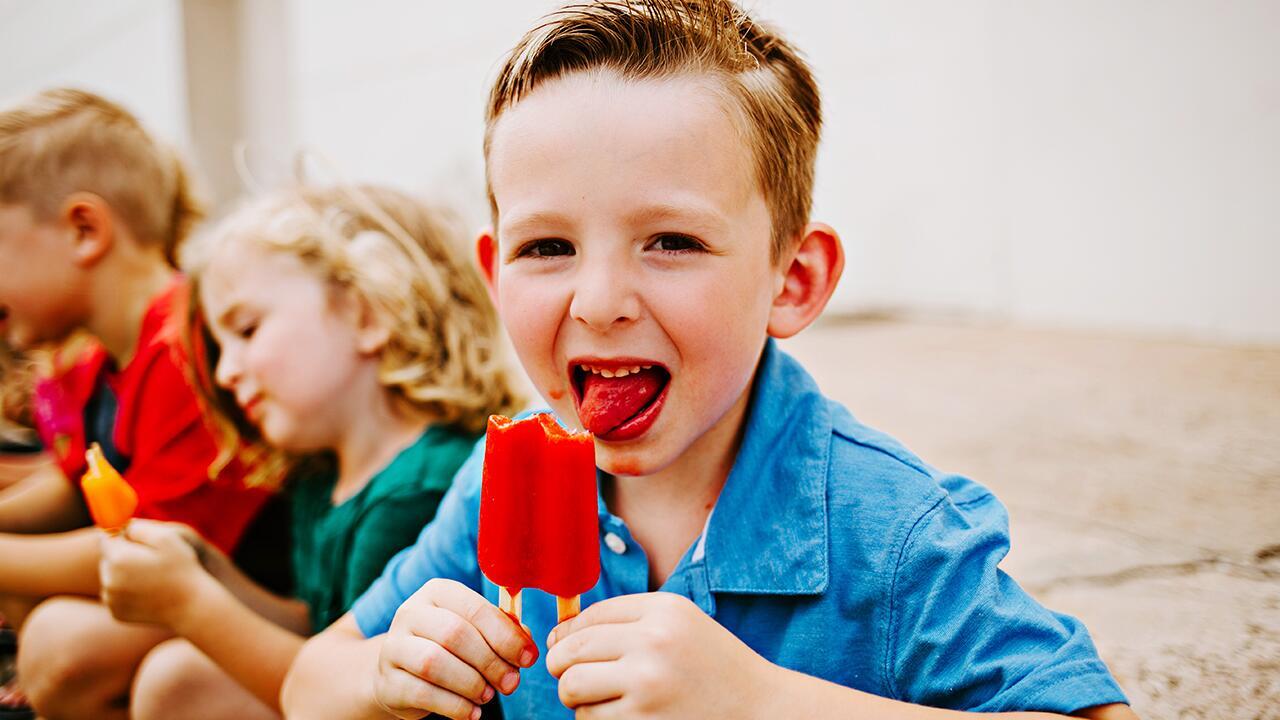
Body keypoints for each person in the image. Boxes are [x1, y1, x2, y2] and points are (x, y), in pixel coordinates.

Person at [283, 2, 1138, 718]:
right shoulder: (494, 484)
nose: (599, 300)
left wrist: (763, 701)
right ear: (493, 276)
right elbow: (306, 682)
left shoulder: (889, 531)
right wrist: (383, 676)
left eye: (671, 241)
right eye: (547, 246)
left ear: (791, 281)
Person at [97, 184, 524, 719]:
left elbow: (366, 696)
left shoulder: (419, 488)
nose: (226, 374)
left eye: (247, 330)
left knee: (176, 679)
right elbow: (319, 627)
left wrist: (190, 604)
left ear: (366, 314)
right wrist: (208, 573)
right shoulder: (321, 478)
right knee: (181, 677)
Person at [0, 88, 272, 719]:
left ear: (83, 229)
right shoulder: (97, 361)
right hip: (166, 581)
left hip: (252, 596)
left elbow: (144, 548)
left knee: (63, 645)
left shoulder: (186, 349)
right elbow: (73, 485)